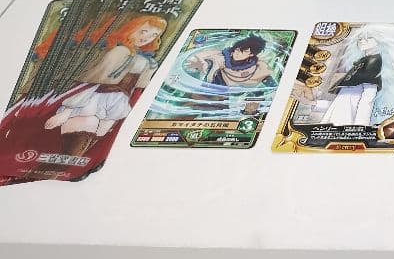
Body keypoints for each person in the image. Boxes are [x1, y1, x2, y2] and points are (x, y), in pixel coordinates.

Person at [44, 14, 168, 156]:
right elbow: (92, 81)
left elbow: (139, 89)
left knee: (92, 147)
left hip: (118, 104)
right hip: (93, 100)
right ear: (132, 28)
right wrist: (67, 111)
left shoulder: (147, 61)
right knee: (77, 142)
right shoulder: (120, 51)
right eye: (143, 31)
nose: (146, 37)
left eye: (154, 35)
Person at [320, 25, 394, 127]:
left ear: (379, 41)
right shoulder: (366, 59)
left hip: (351, 104)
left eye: (369, 38)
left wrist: (360, 125)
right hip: (346, 102)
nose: (363, 41)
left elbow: (368, 96)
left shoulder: (374, 61)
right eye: (360, 39)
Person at [186, 34, 272, 88]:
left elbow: (269, 81)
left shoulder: (256, 66)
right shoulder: (221, 57)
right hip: (207, 89)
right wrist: (203, 64)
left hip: (223, 96)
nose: (238, 53)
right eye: (237, 49)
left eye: (244, 51)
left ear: (251, 54)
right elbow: (201, 58)